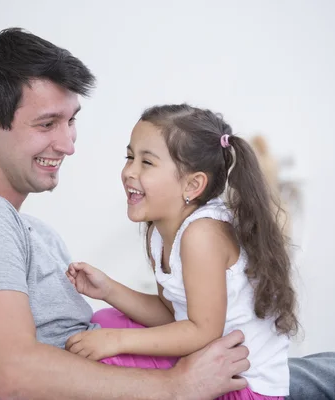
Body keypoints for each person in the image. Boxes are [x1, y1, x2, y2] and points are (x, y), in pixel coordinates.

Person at [0, 27, 335, 400]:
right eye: (48, 123)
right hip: (168, 380)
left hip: (179, 369)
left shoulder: (22, 226)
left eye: (71, 122)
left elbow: (181, 319)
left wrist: (119, 311)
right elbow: (15, 376)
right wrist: (176, 386)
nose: (68, 144)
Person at [64, 104, 295, 400]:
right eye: (130, 157)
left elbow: (202, 331)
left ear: (193, 184)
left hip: (240, 385)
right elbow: (172, 314)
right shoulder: (160, 231)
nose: (128, 172)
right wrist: (109, 289)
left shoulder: (202, 235)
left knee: (107, 357)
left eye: (146, 163)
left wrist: (117, 342)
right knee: (108, 318)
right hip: (210, 359)